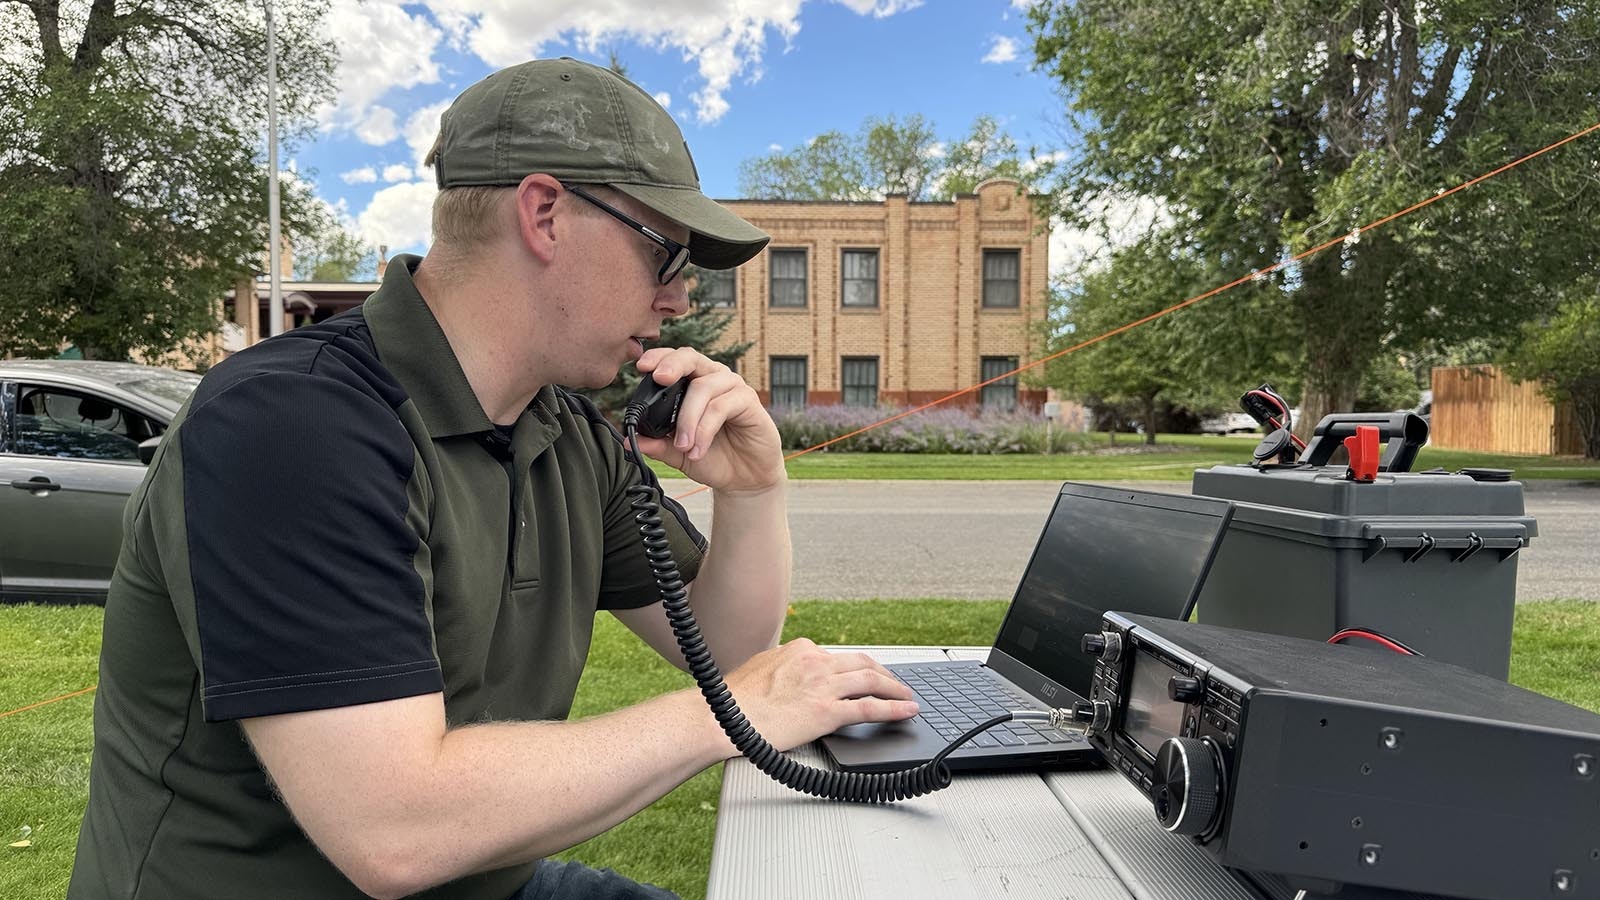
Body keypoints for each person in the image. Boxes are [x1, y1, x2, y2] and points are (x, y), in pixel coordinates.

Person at [68, 57, 919, 900]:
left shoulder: (568, 431)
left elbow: (729, 645)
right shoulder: (291, 423)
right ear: (545, 214)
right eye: (667, 254)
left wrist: (754, 489)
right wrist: (734, 714)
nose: (679, 298)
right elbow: (394, 827)